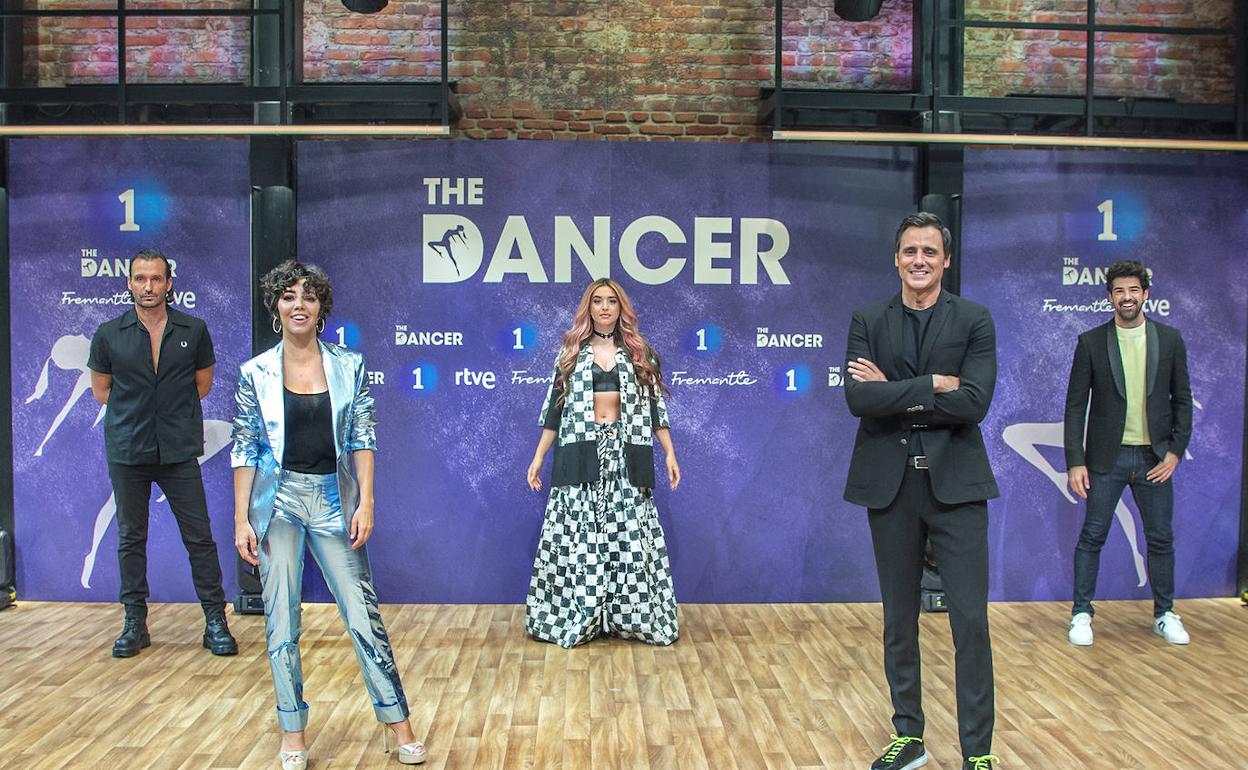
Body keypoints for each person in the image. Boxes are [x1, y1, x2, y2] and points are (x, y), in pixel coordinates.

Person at [230, 260, 426, 769]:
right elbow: (246, 447)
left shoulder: (349, 365)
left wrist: (366, 501)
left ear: (322, 309)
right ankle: (292, 733)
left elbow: (363, 436)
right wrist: (241, 519)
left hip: (334, 501)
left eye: (309, 297)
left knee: (363, 615)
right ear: (276, 306)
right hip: (277, 503)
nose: (299, 305)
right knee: (281, 620)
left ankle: (398, 723)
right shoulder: (255, 373)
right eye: (289, 296)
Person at [843, 213, 1000, 770]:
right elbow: (858, 400)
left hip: (957, 486)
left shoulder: (974, 319)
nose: (919, 260)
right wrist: (932, 384)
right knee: (898, 619)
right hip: (891, 487)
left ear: (946, 260)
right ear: (896, 258)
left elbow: (974, 403)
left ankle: (978, 751)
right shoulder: (868, 319)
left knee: (970, 622)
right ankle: (908, 736)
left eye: (930, 252)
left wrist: (893, 392)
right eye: (910, 251)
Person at [88, 248, 237, 658]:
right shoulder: (108, 334)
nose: (148, 286)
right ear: (129, 283)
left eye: (156, 278)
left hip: (178, 449)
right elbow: (102, 391)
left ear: (169, 283)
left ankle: (215, 620)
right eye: (140, 278)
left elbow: (202, 385)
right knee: (130, 538)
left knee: (199, 537)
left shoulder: (194, 329)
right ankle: (134, 623)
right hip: (128, 448)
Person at [525, 278, 681, 648]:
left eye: (612, 301)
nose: (605, 307)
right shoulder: (570, 354)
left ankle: (629, 616)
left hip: (626, 455)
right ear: (589, 308)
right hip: (581, 453)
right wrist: (539, 456)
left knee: (628, 536)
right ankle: (581, 612)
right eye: (598, 301)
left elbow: (655, 408)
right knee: (581, 537)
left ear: (620, 307)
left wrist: (669, 452)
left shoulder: (640, 353)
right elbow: (554, 411)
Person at [1063, 259, 1193, 647]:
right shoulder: (1090, 342)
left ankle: (1165, 614)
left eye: (1133, 290)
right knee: (1092, 536)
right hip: (1107, 458)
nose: (1127, 297)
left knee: (1160, 539)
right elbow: (1075, 406)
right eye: (1119, 291)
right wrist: (1075, 461)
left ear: (1145, 294)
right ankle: (1081, 614)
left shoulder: (1169, 339)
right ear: (1110, 297)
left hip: (1155, 458)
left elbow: (1182, 400)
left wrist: (1175, 452)